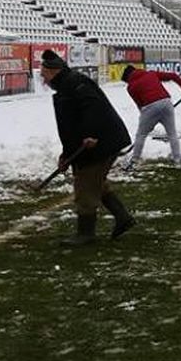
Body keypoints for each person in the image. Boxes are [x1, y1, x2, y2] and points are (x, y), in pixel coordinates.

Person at [40, 50, 135, 246]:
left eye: (44, 74)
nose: (43, 79)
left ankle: (86, 233)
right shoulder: (67, 85)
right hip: (94, 142)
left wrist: (91, 134)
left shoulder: (75, 83)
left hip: (100, 142)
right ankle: (122, 217)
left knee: (85, 183)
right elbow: (70, 128)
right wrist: (66, 155)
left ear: (53, 72)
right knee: (95, 181)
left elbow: (93, 108)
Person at [122, 64, 181, 169]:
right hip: (166, 102)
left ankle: (134, 161)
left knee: (141, 135)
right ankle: (177, 161)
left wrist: (146, 122)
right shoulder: (151, 74)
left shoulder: (131, 87)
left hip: (149, 107)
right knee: (172, 133)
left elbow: (140, 105)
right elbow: (173, 76)